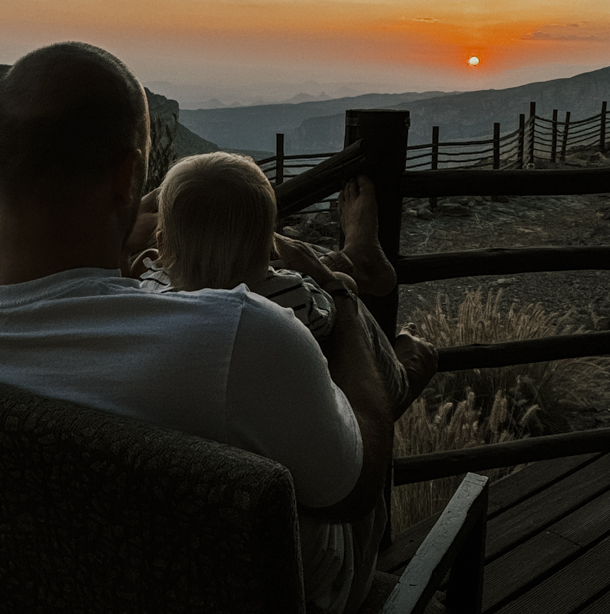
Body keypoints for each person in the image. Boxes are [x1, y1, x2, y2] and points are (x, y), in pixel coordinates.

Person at [0, 41, 437, 614]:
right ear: (128, 176)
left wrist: (124, 236)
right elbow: (354, 489)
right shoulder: (238, 336)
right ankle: (361, 286)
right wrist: (343, 299)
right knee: (345, 351)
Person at [135, 150, 425, 417]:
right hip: (309, 415)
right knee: (344, 285)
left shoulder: (149, 289)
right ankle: (408, 372)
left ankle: (356, 259)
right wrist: (330, 276)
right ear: (271, 245)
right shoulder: (290, 296)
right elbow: (331, 311)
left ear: (161, 243)